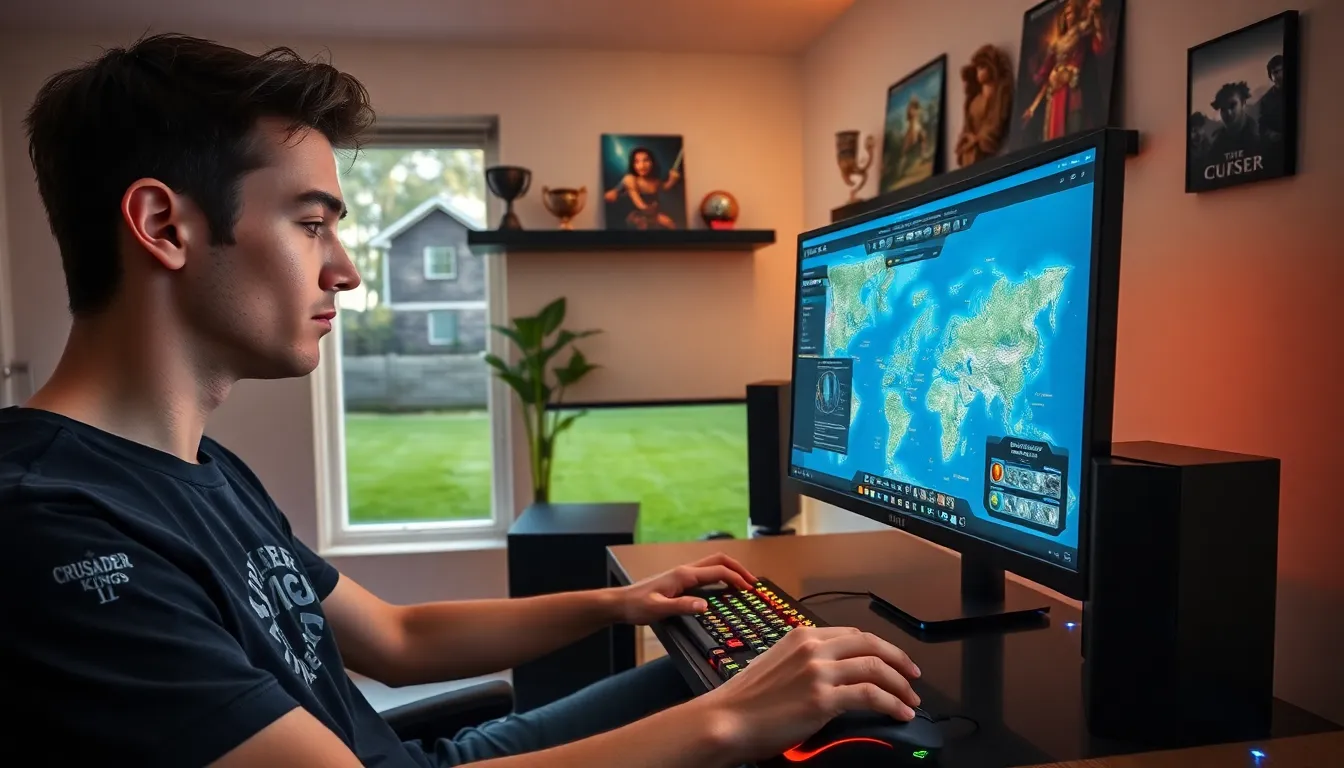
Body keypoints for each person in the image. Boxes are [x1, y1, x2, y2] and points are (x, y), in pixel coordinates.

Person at [0, 33, 923, 767]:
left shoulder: (197, 468)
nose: (347, 270)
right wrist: (732, 725)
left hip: (424, 753)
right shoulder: (55, 531)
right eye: (311, 223)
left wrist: (628, 606)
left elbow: (396, 639)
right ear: (165, 225)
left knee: (767, 678)